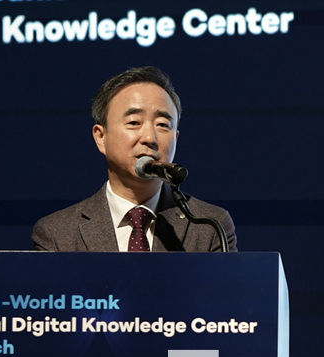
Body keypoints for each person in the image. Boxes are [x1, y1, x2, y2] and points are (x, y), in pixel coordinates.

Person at [32, 66, 237, 252]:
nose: (149, 138)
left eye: (163, 125)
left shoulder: (209, 225)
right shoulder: (57, 234)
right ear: (101, 137)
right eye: (134, 122)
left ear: (176, 138)